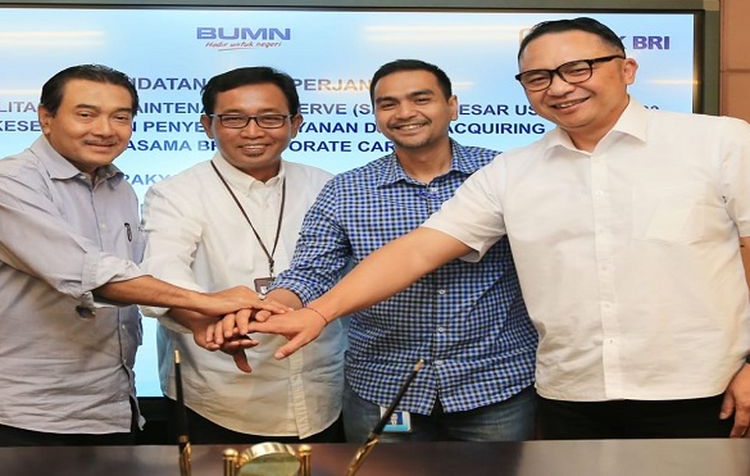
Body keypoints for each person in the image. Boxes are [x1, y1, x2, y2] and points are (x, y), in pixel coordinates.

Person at [246, 18, 750, 440]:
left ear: (627, 69)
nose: (559, 87)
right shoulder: (512, 171)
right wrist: (318, 312)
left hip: (703, 390)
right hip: (572, 395)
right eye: (538, 77)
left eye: (578, 68)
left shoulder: (718, 142)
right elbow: (419, 250)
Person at [224, 59, 538, 442]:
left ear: (452, 106)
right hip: (385, 385)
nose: (405, 113)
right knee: (376, 471)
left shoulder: (501, 174)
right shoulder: (346, 190)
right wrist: (268, 310)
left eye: (421, 99)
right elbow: (310, 273)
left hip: (495, 382)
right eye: (388, 104)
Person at [0, 64, 277, 447]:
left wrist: (198, 322)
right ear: (46, 118)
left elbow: (140, 277)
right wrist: (207, 301)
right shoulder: (12, 183)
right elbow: (91, 274)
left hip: (112, 406)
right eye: (86, 114)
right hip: (27, 415)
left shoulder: (118, 187)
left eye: (121, 117)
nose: (105, 129)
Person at [140, 67, 346, 444]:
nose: (252, 132)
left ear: (295, 123)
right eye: (234, 119)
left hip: (321, 391)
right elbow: (163, 273)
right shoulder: (176, 193)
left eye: (270, 118)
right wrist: (209, 319)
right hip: (217, 396)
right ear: (208, 125)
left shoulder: (327, 186)